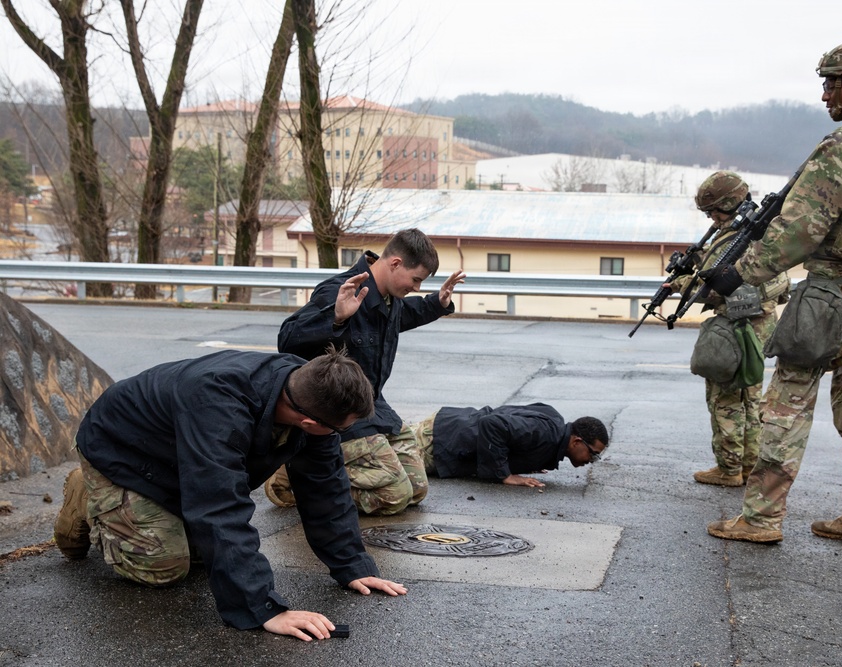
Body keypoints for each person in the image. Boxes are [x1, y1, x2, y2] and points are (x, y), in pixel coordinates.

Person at [699, 40, 842, 545]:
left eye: (832, 82)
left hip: (832, 294)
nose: (826, 94)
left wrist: (742, 274)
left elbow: (799, 227)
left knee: (786, 405)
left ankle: (760, 518)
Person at [53, 347, 408, 641]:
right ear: (310, 423)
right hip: (121, 452)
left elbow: (325, 485)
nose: (340, 435)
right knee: (164, 566)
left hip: (177, 460)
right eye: (338, 430)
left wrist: (351, 564)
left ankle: (142, 511)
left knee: (207, 558)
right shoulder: (218, 403)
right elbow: (218, 504)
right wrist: (262, 607)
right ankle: (88, 494)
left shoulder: (309, 386)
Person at [270, 228, 466, 515]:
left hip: (372, 406)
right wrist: (334, 317)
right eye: (416, 280)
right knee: (394, 496)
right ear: (396, 263)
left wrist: (437, 304)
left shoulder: (389, 299)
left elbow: (406, 314)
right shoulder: (342, 290)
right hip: (337, 412)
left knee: (416, 488)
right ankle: (299, 476)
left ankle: (307, 470)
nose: (416, 287)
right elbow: (287, 339)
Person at [666, 172, 789, 487]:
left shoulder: (734, 239)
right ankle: (749, 466)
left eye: (713, 211)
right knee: (749, 398)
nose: (711, 217)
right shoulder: (764, 230)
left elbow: (713, 288)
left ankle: (729, 468)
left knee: (725, 399)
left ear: (727, 204)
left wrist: (678, 283)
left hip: (735, 325)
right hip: (762, 321)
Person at [411, 404, 609, 488]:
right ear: (576, 442)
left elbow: (513, 426)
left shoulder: (553, 427)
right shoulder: (545, 432)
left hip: (448, 431)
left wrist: (526, 460)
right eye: (593, 455)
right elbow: (493, 424)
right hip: (438, 441)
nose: (590, 461)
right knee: (385, 460)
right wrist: (505, 474)